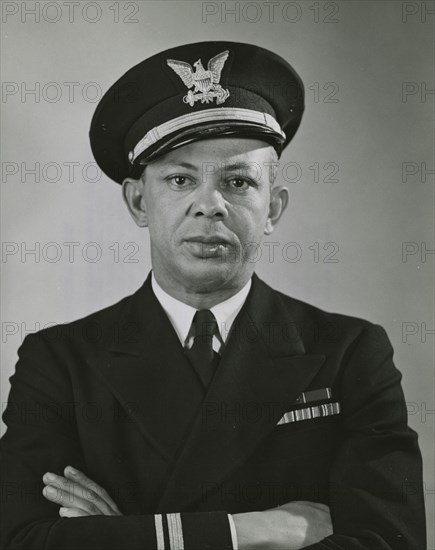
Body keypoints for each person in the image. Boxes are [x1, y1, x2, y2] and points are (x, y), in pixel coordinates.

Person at [0, 41, 426, 550]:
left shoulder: (351, 353)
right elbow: (21, 540)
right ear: (139, 202)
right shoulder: (60, 363)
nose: (210, 205)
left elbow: (390, 541)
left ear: (274, 209)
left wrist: (119, 534)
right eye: (180, 179)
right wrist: (249, 530)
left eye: (238, 181)